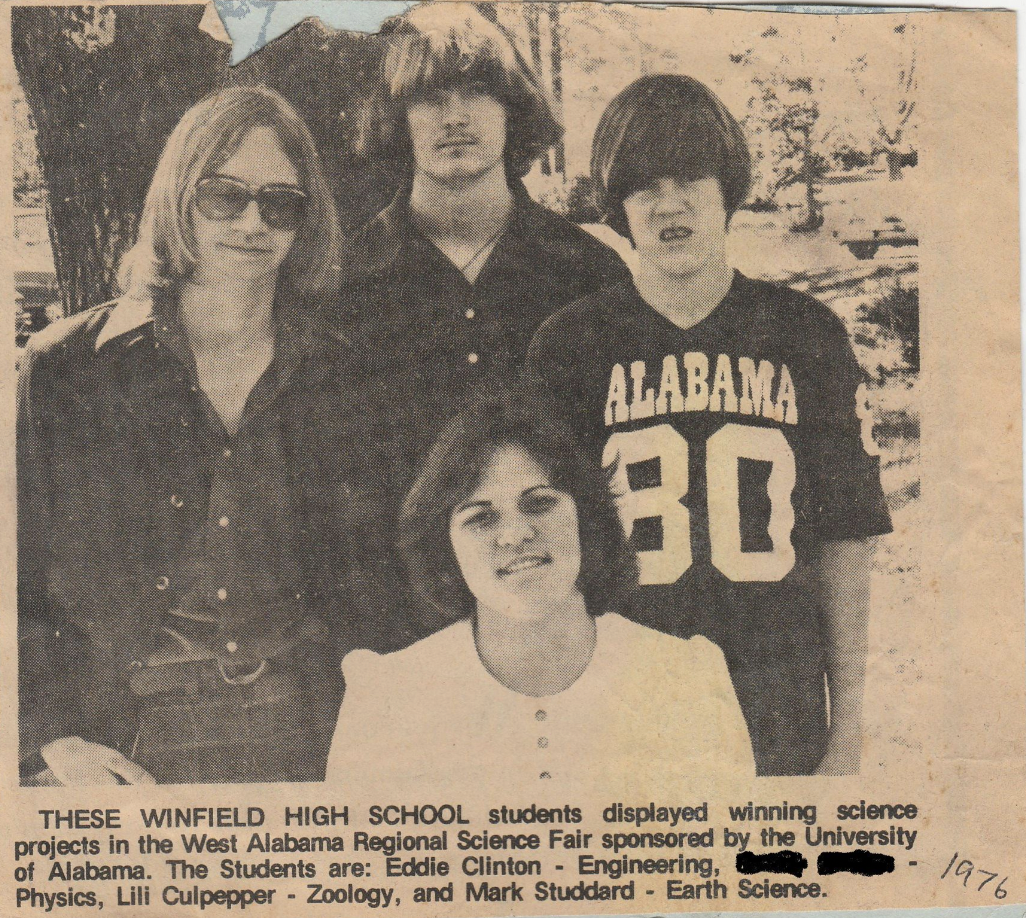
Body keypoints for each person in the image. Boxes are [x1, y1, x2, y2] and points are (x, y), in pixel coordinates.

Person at [525, 75, 893, 776]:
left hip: (774, 695)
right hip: (622, 695)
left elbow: (845, 541)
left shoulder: (805, 334)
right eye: (643, 185)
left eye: (690, 175)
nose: (670, 204)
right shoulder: (571, 346)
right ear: (616, 205)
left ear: (727, 186)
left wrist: (848, 729)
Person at [17, 86, 357, 785]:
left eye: (280, 203)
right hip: (128, 742)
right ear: (179, 196)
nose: (252, 222)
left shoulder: (341, 372)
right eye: (223, 195)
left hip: (312, 732)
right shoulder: (67, 371)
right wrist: (47, 743)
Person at [338, 2, 632, 652]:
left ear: (513, 107)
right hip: (398, 641)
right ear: (396, 116)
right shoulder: (342, 286)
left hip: (567, 633)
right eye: (428, 96)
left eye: (476, 90)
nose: (454, 117)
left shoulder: (589, 275)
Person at [326, 394, 755, 794]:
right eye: (480, 519)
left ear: (585, 518)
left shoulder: (687, 677)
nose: (514, 535)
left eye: (539, 503)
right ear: (445, 548)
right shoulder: (387, 695)